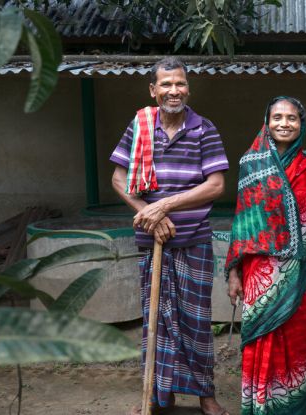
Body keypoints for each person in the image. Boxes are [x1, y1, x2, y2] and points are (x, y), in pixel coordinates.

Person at [110, 57, 230, 415]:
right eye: (165, 85)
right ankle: (158, 395)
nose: (173, 91)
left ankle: (205, 396)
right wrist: (148, 215)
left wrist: (165, 206)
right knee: (156, 320)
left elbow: (216, 184)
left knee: (196, 319)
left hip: (193, 241)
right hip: (153, 241)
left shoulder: (204, 129)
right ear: (153, 90)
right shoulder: (140, 126)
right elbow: (118, 179)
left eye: (179, 84)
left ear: (188, 89)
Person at [225, 96, 306, 414]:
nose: (284, 123)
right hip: (259, 276)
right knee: (260, 345)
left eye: (292, 118)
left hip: (303, 277)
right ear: (267, 122)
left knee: (298, 347)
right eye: (277, 117)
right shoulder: (251, 164)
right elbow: (242, 224)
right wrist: (234, 274)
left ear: (302, 124)